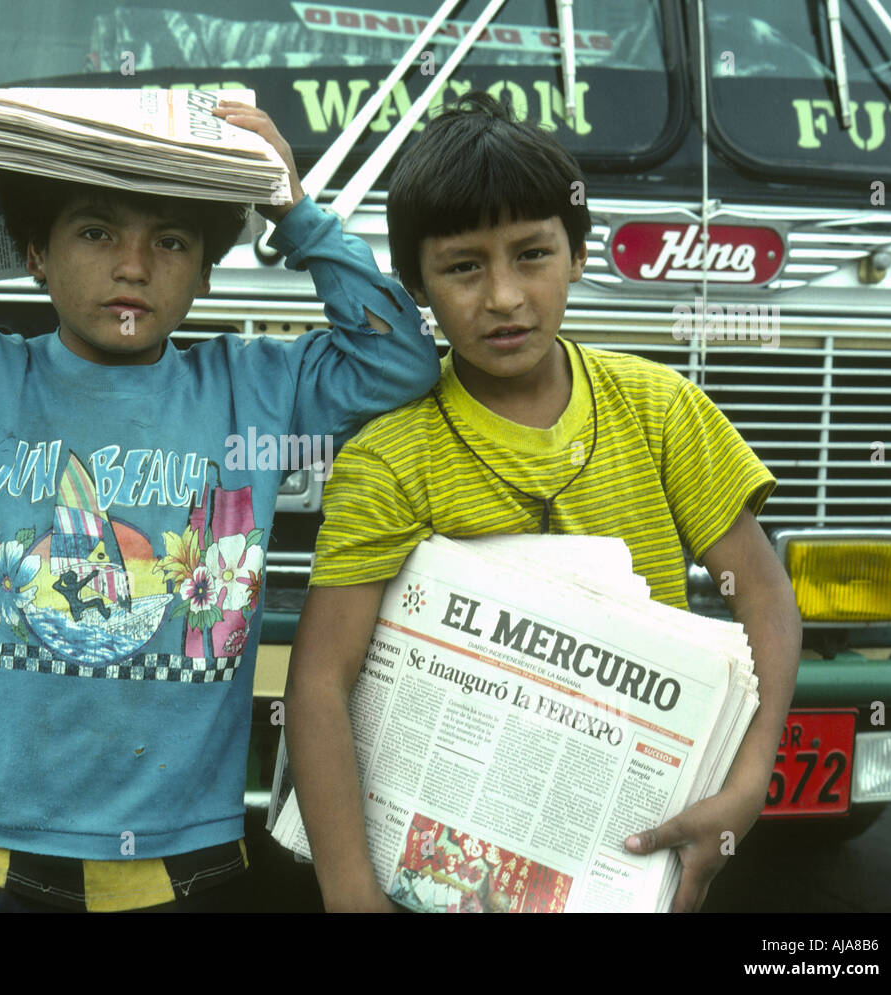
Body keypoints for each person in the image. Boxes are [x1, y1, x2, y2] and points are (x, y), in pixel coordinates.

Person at [0, 86, 439, 912]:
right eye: (96, 232)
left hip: (180, 862)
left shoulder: (254, 391)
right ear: (36, 253)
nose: (133, 265)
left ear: (205, 271)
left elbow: (401, 361)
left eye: (170, 242)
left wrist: (293, 209)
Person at [283, 92, 801, 913]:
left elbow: (763, 591)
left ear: (580, 252)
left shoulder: (660, 408)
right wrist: (351, 891)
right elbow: (318, 680)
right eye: (462, 266)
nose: (503, 297)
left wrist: (747, 783)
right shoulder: (390, 454)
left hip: (626, 859)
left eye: (532, 255)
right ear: (416, 280)